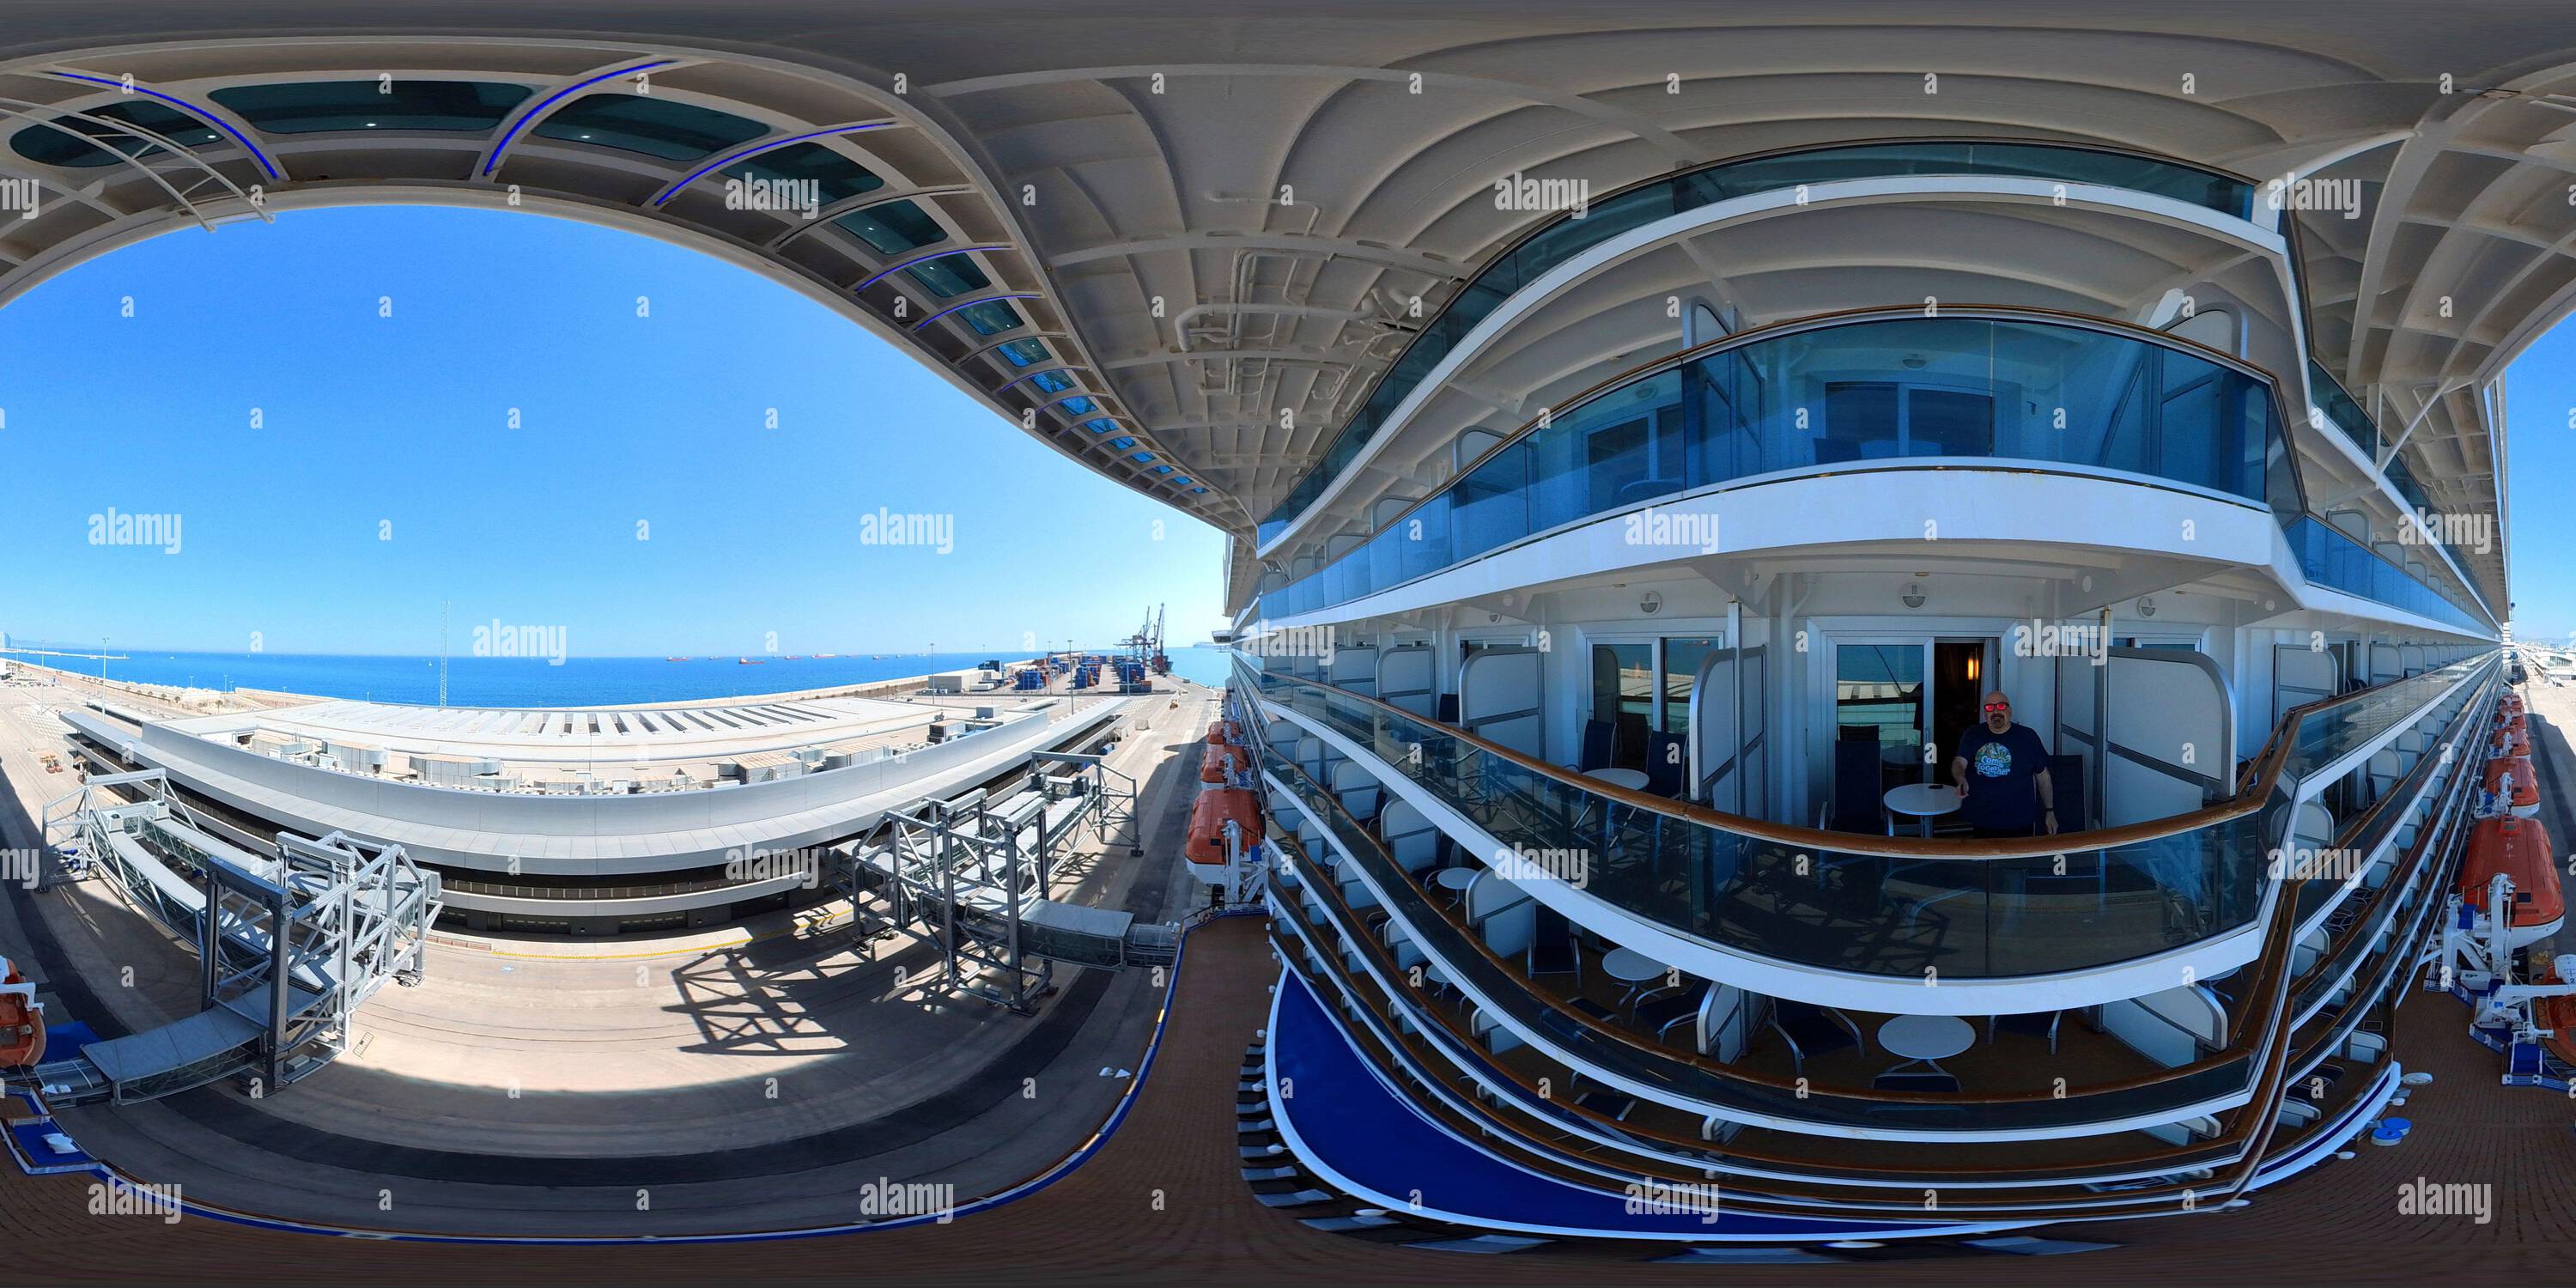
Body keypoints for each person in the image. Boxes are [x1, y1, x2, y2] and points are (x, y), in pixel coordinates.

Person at [1949, 690, 2057, 837]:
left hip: (2020, 820)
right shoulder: (1973, 734)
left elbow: (2043, 776)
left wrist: (2049, 811)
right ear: (1984, 713)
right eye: (1989, 707)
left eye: (2001, 706)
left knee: (2017, 860)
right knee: (1985, 859)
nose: (1995, 711)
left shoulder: (2028, 737)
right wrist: (1961, 779)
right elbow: (1959, 762)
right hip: (1982, 819)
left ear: (2010, 711)